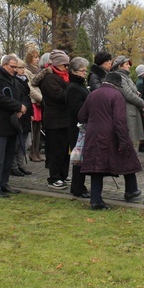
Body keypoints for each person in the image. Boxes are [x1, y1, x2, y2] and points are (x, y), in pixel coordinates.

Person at [78, 71, 142, 210]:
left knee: (97, 167)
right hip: (111, 134)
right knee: (128, 157)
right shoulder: (117, 95)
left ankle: (95, 200)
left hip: (93, 134)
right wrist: (124, 140)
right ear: (118, 84)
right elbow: (120, 120)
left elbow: (81, 116)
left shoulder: (92, 94)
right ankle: (131, 190)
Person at [0, 54, 28, 198]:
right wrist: (18, 107)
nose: (15, 70)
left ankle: (4, 183)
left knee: (9, 155)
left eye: (16, 67)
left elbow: (24, 96)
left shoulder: (15, 81)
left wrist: (23, 108)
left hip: (13, 123)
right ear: (4, 65)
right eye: (12, 67)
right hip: (0, 122)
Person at [36, 50, 72, 189]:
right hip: (55, 120)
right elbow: (59, 96)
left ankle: (63, 174)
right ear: (56, 65)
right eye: (64, 65)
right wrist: (71, 91)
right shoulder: (50, 79)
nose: (66, 68)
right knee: (56, 150)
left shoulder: (65, 77)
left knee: (65, 151)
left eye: (67, 65)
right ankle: (54, 177)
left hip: (65, 119)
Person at [65, 56, 90, 198]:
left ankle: (80, 185)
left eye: (85, 71)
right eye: (82, 71)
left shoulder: (80, 86)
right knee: (78, 158)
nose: (84, 74)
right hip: (77, 127)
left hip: (82, 126)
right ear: (74, 72)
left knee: (81, 157)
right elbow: (77, 109)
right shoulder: (73, 88)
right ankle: (77, 187)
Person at [10, 59, 34, 178]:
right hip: (19, 114)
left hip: (26, 113)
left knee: (23, 143)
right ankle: (13, 166)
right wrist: (20, 109)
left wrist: (30, 112)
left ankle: (20, 164)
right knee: (16, 142)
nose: (22, 70)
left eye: (23, 68)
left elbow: (28, 98)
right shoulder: (14, 81)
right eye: (20, 68)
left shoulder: (24, 81)